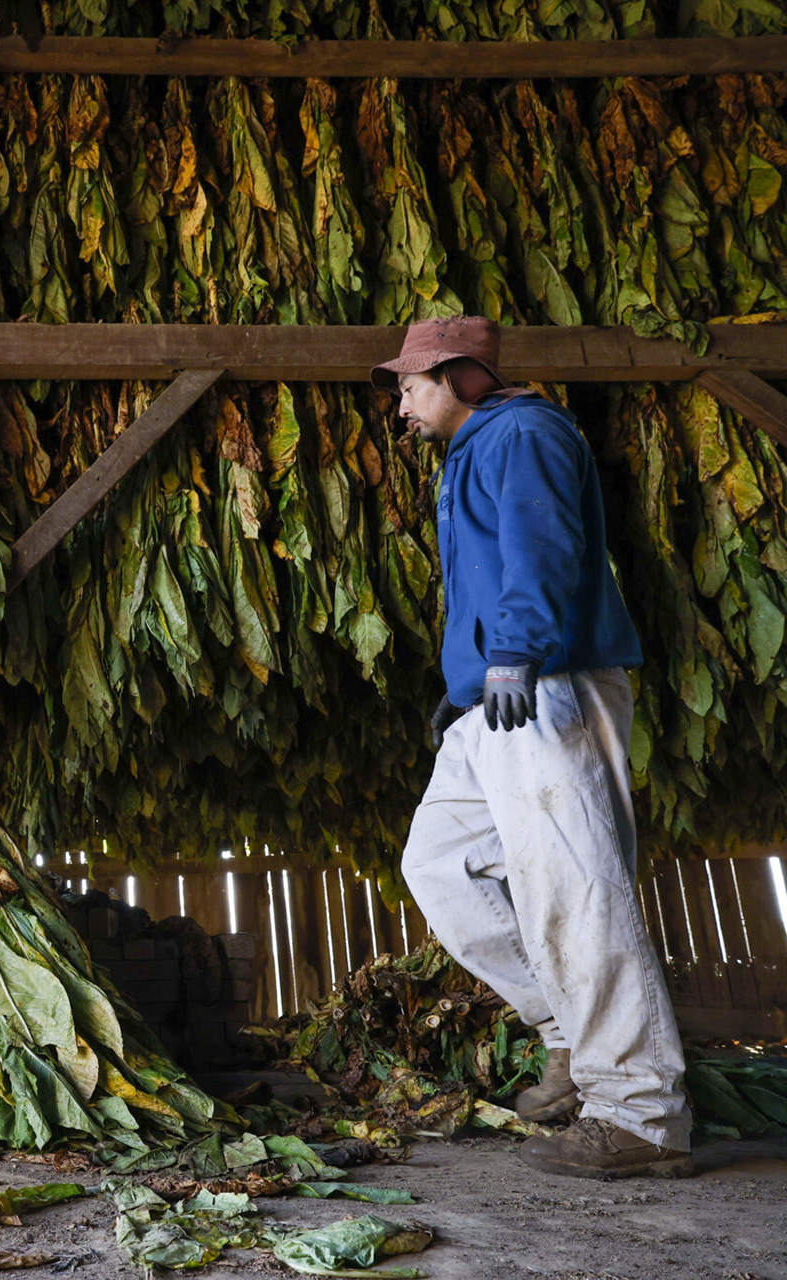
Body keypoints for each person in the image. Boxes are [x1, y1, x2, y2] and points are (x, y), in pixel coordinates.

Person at [377, 316, 694, 1180]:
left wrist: (515, 648)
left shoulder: (525, 430)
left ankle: (641, 1115)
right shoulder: (471, 450)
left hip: (543, 683)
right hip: (491, 700)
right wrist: (463, 693)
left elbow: (542, 545)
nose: (400, 405)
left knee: (576, 889)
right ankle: (564, 1034)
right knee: (440, 864)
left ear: (462, 374)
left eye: (409, 385)